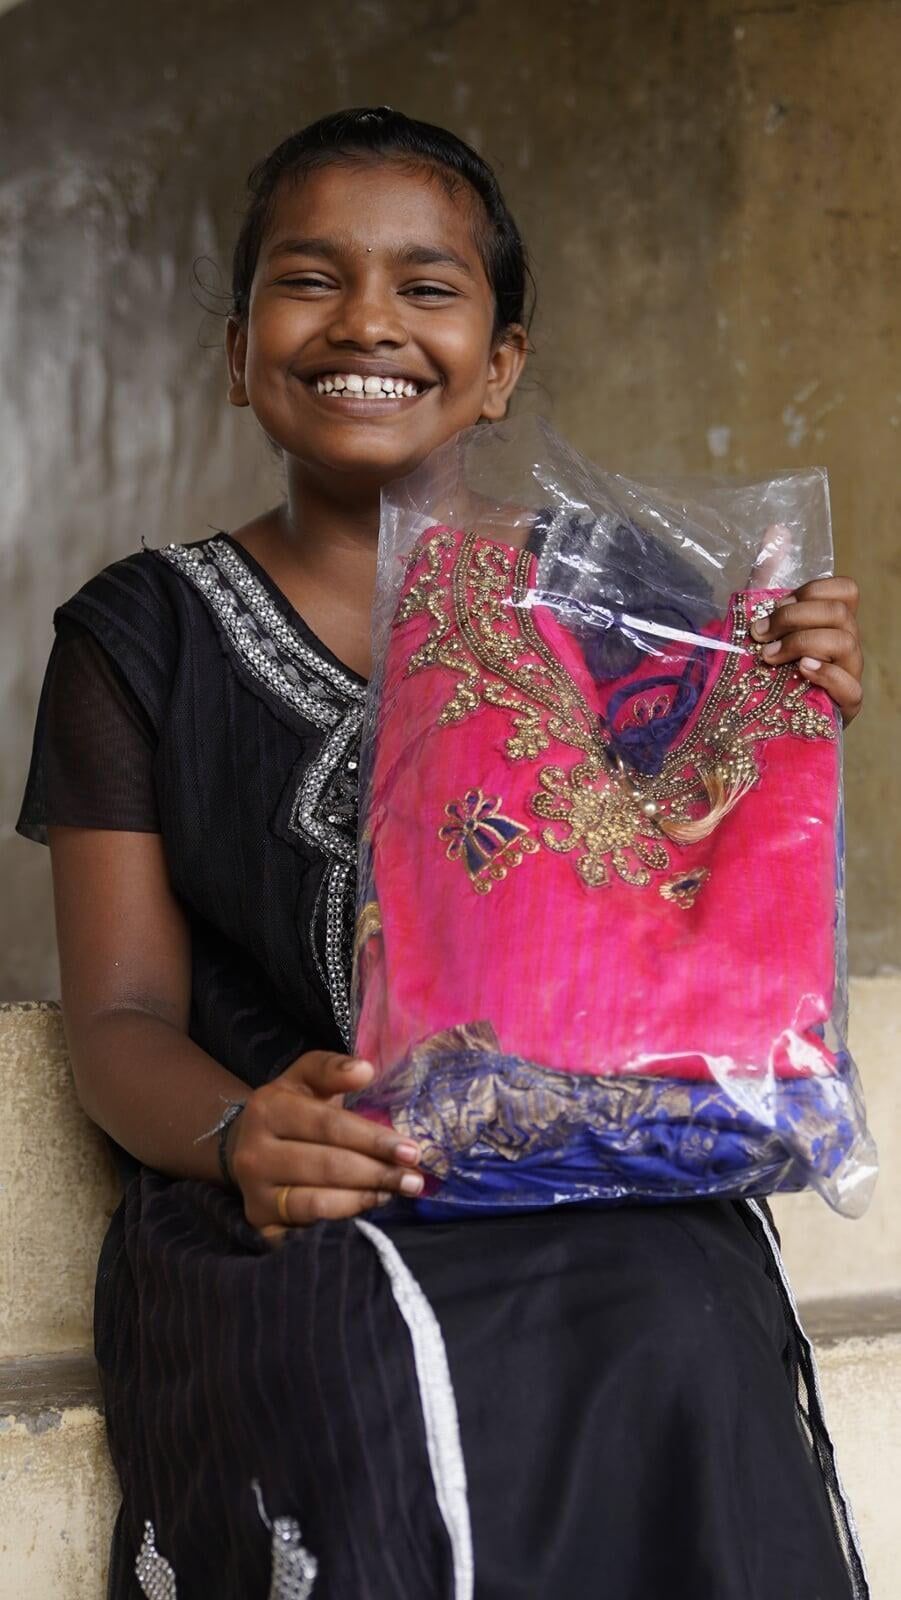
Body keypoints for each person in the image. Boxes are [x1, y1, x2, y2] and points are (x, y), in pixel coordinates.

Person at [18, 107, 868, 1600]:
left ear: (499, 365)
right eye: (308, 278)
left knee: (672, 1307)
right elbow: (122, 1020)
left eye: (426, 286)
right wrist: (242, 1137)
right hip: (297, 1194)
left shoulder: (623, 601)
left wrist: (778, 707)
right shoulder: (138, 636)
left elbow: (709, 909)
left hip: (595, 1170)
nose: (365, 321)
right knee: (387, 1349)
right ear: (234, 349)